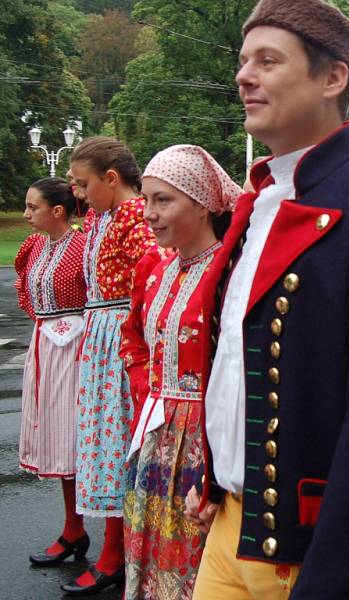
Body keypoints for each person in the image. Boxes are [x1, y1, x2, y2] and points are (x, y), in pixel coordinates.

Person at [183, 1, 349, 598]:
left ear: (333, 79)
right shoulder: (257, 203)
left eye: (268, 60)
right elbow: (232, 361)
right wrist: (218, 478)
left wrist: (340, 577)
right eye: (242, 61)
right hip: (232, 524)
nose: (243, 76)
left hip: (322, 549)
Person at [119, 145, 241, 599]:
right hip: (154, 434)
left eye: (163, 200)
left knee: (197, 563)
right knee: (151, 552)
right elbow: (132, 337)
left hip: (203, 442)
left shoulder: (229, 274)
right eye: (146, 199)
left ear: (203, 203)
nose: (148, 213)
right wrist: (148, 393)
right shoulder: (157, 268)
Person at [62, 137, 162, 596]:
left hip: (122, 334)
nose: (76, 193)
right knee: (105, 443)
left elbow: (152, 278)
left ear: (110, 178)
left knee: (120, 442)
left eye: (82, 184)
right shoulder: (102, 219)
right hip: (103, 334)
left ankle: (116, 553)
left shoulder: (134, 218)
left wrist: (133, 343)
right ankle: (113, 548)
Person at [16, 178, 88, 567]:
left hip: (74, 349)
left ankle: (92, 530)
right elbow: (26, 291)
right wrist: (43, 325)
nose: (26, 214)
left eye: (32, 207)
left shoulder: (81, 246)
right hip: (44, 344)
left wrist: (74, 326)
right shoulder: (35, 246)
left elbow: (95, 294)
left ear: (57, 211)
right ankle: (73, 528)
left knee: (74, 438)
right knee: (58, 439)